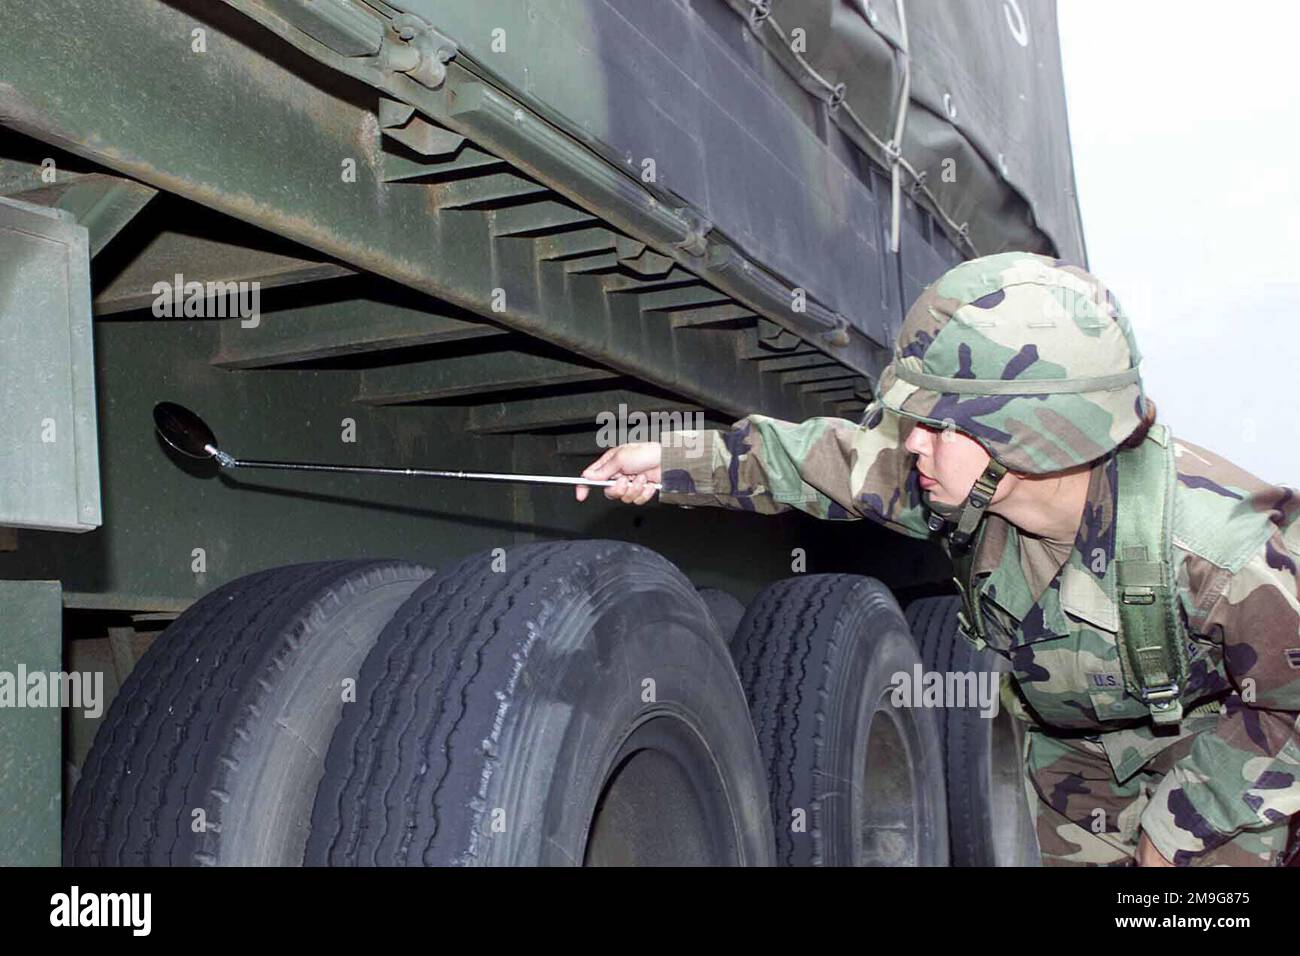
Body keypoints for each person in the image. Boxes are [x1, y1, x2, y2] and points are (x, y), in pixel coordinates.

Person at [577, 252, 1300, 867]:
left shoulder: (1226, 556)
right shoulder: (951, 487)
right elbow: (816, 462)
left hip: (1216, 755)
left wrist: (1176, 835)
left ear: (1034, 434)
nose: (913, 443)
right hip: (1074, 755)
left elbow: (1289, 713)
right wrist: (675, 460)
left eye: (941, 422)